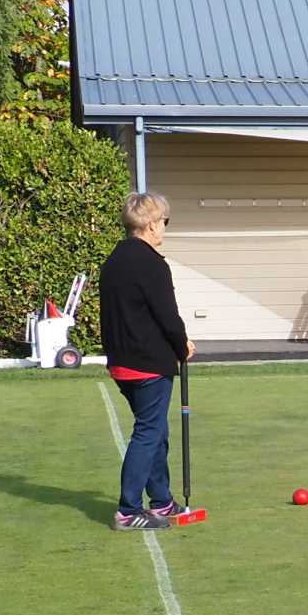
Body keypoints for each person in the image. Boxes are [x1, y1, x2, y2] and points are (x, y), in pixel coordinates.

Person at [99, 190, 193, 531]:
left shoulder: (113, 261)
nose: (164, 229)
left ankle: (162, 500)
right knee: (149, 431)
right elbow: (167, 315)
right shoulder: (152, 263)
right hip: (147, 362)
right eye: (163, 222)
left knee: (156, 431)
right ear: (152, 225)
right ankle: (128, 510)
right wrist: (182, 344)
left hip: (122, 361)